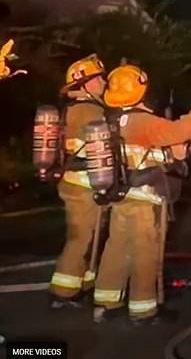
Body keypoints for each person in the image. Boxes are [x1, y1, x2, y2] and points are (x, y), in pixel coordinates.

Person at [91, 65, 191, 325]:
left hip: (121, 196)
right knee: (145, 253)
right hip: (145, 197)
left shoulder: (113, 120)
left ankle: (106, 303)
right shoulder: (142, 121)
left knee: (116, 247)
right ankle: (144, 310)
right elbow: (179, 131)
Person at [47, 54, 107, 308]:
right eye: (98, 78)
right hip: (84, 184)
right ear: (84, 84)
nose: (103, 82)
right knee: (81, 237)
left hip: (75, 182)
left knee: (88, 235)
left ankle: (84, 283)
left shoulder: (73, 108)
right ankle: (63, 292)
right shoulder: (90, 110)